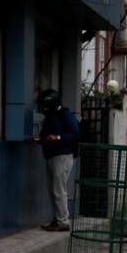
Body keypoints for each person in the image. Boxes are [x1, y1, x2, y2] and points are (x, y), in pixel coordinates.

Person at [34, 89, 79, 232]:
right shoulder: (50, 115)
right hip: (51, 155)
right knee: (53, 190)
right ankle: (57, 219)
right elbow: (45, 136)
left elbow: (75, 134)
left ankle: (63, 221)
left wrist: (57, 137)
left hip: (62, 155)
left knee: (59, 190)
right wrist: (38, 139)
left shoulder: (65, 114)